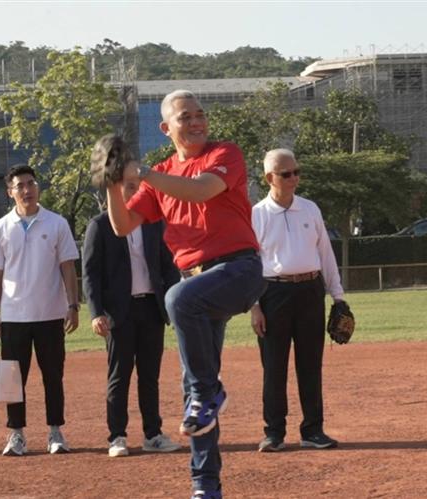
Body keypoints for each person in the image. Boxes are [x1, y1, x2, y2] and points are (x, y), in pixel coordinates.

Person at [94, 90, 266, 499]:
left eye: (200, 114)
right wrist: (113, 182)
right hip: (201, 283)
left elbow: (204, 190)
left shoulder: (224, 153)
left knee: (176, 300)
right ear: (165, 127)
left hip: (239, 269)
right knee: (194, 395)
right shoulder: (164, 173)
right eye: (185, 117)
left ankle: (209, 393)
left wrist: (144, 174)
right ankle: (205, 485)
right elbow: (122, 226)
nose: (196, 122)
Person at [82, 157, 182, 457]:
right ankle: (117, 436)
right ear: (115, 189)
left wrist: (170, 300)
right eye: (129, 185)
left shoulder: (153, 223)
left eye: (139, 185)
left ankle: (153, 434)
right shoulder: (99, 226)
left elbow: (169, 267)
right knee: (119, 376)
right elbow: (91, 273)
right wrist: (96, 312)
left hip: (151, 309)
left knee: (149, 377)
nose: (135, 190)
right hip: (118, 314)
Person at [0, 164, 80, 457]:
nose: (27, 190)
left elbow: (68, 267)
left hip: (51, 314)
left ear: (38, 187)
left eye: (31, 183)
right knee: (14, 381)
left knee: (53, 376)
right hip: (13, 317)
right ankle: (16, 434)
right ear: (10, 192)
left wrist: (73, 305)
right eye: (20, 186)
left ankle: (55, 432)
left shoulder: (57, 223)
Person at [249, 149, 343, 453]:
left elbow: (325, 254)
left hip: (310, 290)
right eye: (286, 174)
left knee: (310, 365)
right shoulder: (256, 215)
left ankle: (313, 430)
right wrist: (254, 307)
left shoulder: (310, 209)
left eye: (297, 172)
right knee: (273, 367)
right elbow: (250, 265)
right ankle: (274, 432)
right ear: (269, 178)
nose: (294, 178)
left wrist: (338, 297)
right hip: (272, 292)